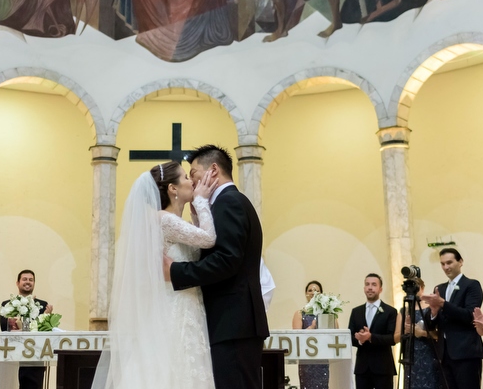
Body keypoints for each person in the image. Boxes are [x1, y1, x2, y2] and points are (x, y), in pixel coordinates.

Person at [93, 160, 218, 388]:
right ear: (173, 188)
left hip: (187, 304)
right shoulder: (164, 219)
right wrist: (201, 201)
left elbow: (198, 244)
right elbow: (209, 239)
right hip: (175, 306)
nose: (192, 182)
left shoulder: (172, 221)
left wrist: (197, 213)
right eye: (186, 178)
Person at [166, 145, 270, 389]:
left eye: (193, 173)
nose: (191, 181)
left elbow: (226, 260)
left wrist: (175, 271)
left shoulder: (228, 202)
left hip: (233, 323)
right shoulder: (230, 201)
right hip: (234, 324)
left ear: (213, 170)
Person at [423, 248, 483, 389]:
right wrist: (433, 312)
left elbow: (470, 315)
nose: (446, 267)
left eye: (449, 262)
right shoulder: (440, 288)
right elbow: (431, 325)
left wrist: (443, 304)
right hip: (444, 354)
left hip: (466, 352)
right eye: (443, 264)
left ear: (460, 262)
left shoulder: (471, 285)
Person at [0, 271, 50, 389]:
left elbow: (44, 331)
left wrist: (45, 317)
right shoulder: (7, 304)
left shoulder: (42, 305)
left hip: (34, 357)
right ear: (17, 283)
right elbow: (4, 327)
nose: (28, 282)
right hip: (12, 355)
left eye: (31, 280)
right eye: (25, 279)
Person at [347, 273, 398, 389]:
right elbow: (349, 336)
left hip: (383, 367)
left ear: (380, 289)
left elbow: (392, 338)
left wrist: (370, 337)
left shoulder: (390, 311)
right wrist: (359, 340)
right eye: (367, 284)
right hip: (362, 368)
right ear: (364, 288)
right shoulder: (356, 312)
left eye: (374, 285)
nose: (370, 287)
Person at [395, 278, 441, 389]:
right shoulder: (403, 311)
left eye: (416, 287)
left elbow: (438, 335)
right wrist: (405, 331)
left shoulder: (431, 309)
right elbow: (395, 337)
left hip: (429, 356)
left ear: (422, 288)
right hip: (410, 358)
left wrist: (421, 332)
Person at [292, 281, 329, 389]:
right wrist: (310, 328)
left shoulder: (326, 314)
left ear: (322, 294)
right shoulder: (300, 313)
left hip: (323, 360)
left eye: (317, 290)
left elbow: (335, 332)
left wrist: (330, 313)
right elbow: (296, 338)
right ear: (306, 293)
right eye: (310, 290)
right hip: (306, 360)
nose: (313, 292)